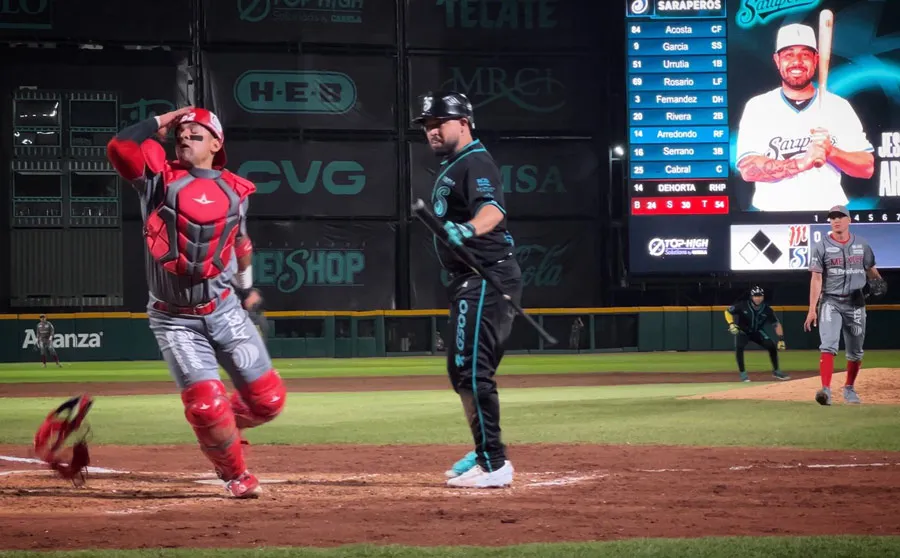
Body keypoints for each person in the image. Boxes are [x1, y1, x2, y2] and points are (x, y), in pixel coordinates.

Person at [106, 106, 286, 498]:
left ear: (217, 144)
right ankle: (236, 474)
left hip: (224, 309)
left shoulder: (236, 191)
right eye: (181, 133)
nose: (185, 137)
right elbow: (120, 146)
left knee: (268, 402)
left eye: (196, 133)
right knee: (206, 408)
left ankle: (224, 427)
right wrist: (165, 120)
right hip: (174, 320)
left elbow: (241, 243)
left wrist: (246, 287)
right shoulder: (157, 179)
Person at [413, 90, 520, 488]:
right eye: (426, 126)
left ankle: (494, 464)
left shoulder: (476, 160)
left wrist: (470, 227)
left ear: (463, 122)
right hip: (470, 280)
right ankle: (483, 451)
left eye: (438, 123)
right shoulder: (457, 164)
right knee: (462, 370)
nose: (431, 132)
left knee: (473, 371)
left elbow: (493, 210)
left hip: (487, 277)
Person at [735, 22, 874, 212]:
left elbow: (866, 168)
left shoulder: (839, 107)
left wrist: (831, 152)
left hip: (829, 215)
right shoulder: (758, 107)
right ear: (777, 60)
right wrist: (802, 163)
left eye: (805, 54)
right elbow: (748, 169)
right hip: (772, 216)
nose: (797, 61)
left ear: (816, 59)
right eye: (789, 54)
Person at [804, 205, 885, 405]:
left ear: (849, 220)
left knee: (856, 351)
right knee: (828, 345)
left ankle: (849, 388)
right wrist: (812, 309)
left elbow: (871, 270)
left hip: (856, 302)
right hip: (831, 300)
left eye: (840, 217)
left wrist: (879, 282)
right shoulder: (821, 246)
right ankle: (825, 390)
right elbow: (816, 278)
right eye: (832, 218)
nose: (836, 220)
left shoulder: (862, 244)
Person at [724, 287, 789, 382]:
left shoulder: (767, 309)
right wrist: (731, 323)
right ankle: (743, 374)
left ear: (763, 297)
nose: (758, 298)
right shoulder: (743, 305)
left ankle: (776, 371)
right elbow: (728, 311)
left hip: (757, 331)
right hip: (743, 331)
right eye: (755, 296)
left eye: (760, 296)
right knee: (739, 348)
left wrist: (781, 339)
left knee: (771, 346)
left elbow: (776, 324)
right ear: (751, 297)